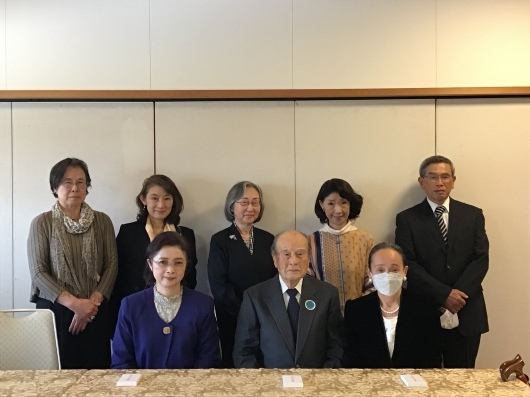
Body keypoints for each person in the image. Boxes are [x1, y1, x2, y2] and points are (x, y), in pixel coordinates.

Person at [395, 155, 489, 368]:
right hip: (425, 310)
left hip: (467, 310)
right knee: (424, 379)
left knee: (463, 379)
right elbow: (408, 263)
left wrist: (458, 296)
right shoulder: (407, 219)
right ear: (422, 182)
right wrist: (444, 295)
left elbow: (480, 259)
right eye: (433, 177)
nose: (440, 182)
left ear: (453, 180)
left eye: (445, 177)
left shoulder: (473, 215)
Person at [27, 157, 118, 369]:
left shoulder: (102, 221)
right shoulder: (42, 223)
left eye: (81, 182)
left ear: (87, 187)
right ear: (54, 187)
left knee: (97, 374)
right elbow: (39, 272)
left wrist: (91, 304)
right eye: (67, 182)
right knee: (59, 375)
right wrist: (76, 304)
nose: (75, 188)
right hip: (56, 309)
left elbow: (112, 265)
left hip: (95, 309)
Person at [233, 230, 343, 369]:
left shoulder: (327, 294)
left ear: (309, 257)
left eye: (300, 254)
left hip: (316, 384)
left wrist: (322, 380)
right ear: (275, 259)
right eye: (286, 254)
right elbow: (244, 352)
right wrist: (261, 385)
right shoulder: (255, 296)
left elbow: (337, 346)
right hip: (271, 384)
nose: (293, 261)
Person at [111, 232, 220, 369]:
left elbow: (209, 360)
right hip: (141, 387)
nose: (170, 270)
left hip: (189, 388)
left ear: (186, 266)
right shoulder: (131, 305)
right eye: (163, 262)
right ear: (150, 264)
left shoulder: (203, 305)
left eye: (178, 263)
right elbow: (121, 362)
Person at [109, 175, 197, 332]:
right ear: (144, 199)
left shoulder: (186, 234)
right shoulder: (128, 232)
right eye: (154, 198)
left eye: (167, 198)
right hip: (137, 309)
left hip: (177, 311)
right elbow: (119, 277)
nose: (161, 205)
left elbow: (190, 277)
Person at [208, 181, 277, 368]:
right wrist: (245, 311)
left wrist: (261, 311)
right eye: (244, 202)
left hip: (266, 316)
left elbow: (275, 279)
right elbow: (218, 284)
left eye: (255, 202)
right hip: (232, 317)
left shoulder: (268, 239)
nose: (250, 207)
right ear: (232, 206)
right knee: (235, 364)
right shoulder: (220, 240)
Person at [344, 243, 442, 368]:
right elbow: (351, 360)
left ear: (404, 271)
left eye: (394, 270)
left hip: (415, 383)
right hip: (369, 384)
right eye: (380, 270)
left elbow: (433, 358)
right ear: (369, 273)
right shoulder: (355, 310)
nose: (387, 275)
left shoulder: (425, 307)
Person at [310, 178, 374, 309]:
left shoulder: (365, 239)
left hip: (359, 313)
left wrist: (360, 306)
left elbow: (374, 279)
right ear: (322, 204)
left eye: (343, 202)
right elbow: (307, 281)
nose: (338, 210)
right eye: (331, 204)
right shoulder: (310, 241)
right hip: (321, 315)